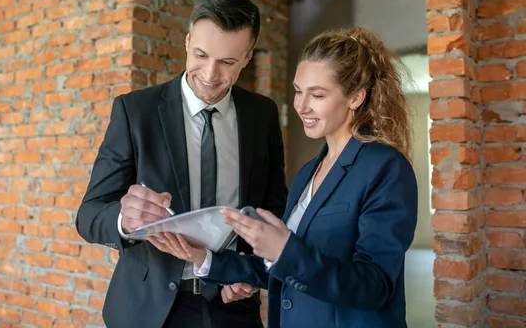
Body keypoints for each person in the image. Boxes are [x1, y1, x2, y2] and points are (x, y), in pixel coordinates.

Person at [151, 26, 419, 328]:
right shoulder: (307, 173)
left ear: (356, 97)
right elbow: (285, 264)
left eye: (317, 95)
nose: (302, 106)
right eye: (298, 91)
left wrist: (284, 251)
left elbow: (375, 286)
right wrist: (205, 259)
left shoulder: (386, 168)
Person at [75, 0, 288, 328]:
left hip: (233, 308)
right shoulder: (135, 112)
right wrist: (124, 220)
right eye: (201, 54)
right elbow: (88, 214)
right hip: (150, 311)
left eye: (228, 62)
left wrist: (250, 269)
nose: (210, 74)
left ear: (247, 57)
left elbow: (273, 209)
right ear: (187, 41)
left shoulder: (262, 115)